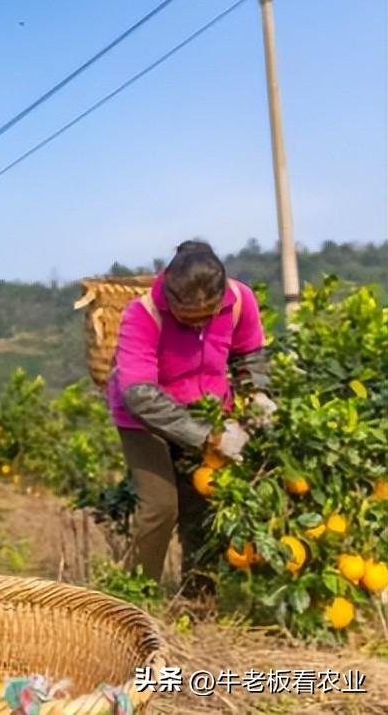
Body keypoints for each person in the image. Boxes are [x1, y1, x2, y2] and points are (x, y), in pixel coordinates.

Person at [107, 241, 275, 588]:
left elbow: (249, 355)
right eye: (188, 319)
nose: (197, 326)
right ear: (170, 299)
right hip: (144, 417)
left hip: (207, 407)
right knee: (160, 506)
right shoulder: (142, 315)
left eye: (206, 317)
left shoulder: (240, 301)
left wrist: (256, 392)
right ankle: (136, 598)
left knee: (204, 503)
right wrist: (207, 437)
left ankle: (199, 595)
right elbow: (139, 394)